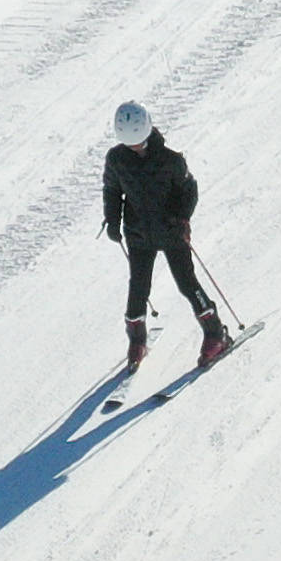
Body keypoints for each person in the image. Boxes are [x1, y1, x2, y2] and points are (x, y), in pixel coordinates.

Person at [101, 99, 227, 374]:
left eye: (138, 142)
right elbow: (112, 190)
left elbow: (189, 191)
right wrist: (112, 220)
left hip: (170, 231)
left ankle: (215, 333)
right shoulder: (116, 159)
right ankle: (136, 341)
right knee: (138, 288)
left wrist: (182, 219)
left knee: (186, 283)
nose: (134, 147)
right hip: (138, 234)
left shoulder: (171, 160)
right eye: (129, 143)